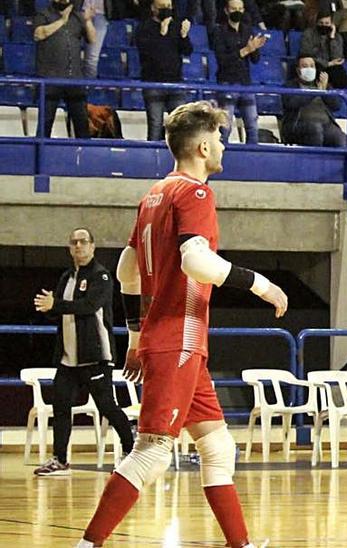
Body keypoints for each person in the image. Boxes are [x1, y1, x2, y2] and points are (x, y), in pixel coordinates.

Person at [78, 101, 289, 548]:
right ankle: (87, 544)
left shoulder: (154, 194)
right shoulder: (194, 193)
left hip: (170, 340)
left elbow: (127, 272)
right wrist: (261, 285)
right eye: (220, 138)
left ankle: (242, 545)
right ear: (202, 145)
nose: (224, 146)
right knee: (152, 451)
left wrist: (136, 334)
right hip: (179, 338)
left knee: (217, 448)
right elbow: (196, 261)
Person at [30, 227, 136, 477]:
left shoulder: (102, 277)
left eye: (83, 241)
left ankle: (132, 453)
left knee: (107, 406)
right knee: (61, 406)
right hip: (68, 359)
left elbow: (89, 306)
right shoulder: (67, 277)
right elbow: (61, 307)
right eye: (74, 242)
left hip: (96, 357)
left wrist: (57, 304)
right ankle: (60, 459)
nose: (78, 246)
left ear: (92, 246)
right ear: (69, 248)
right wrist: (49, 307)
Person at [34, 0, 96, 139]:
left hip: (74, 79)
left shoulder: (77, 17)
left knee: (82, 125)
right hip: (50, 78)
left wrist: (87, 21)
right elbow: (39, 34)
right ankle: (40, 158)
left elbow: (92, 39)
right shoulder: (43, 14)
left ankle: (83, 157)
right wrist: (62, 21)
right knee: (45, 124)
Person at [135, 0, 193, 141]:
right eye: (162, 7)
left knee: (180, 128)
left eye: (168, 6)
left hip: (175, 83)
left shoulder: (176, 25)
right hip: (153, 84)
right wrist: (161, 33)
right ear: (153, 8)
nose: (166, 10)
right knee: (155, 126)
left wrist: (184, 36)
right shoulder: (144, 27)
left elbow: (187, 51)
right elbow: (146, 52)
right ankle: (152, 160)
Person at [211, 0, 266, 144]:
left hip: (245, 83)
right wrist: (245, 50)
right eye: (234, 9)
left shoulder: (248, 30)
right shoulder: (218, 31)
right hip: (226, 83)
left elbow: (255, 59)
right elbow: (222, 60)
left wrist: (254, 49)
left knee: (253, 126)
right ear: (226, 11)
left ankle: (253, 159)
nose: (237, 12)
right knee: (225, 128)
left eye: (240, 9)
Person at [281, 56, 344, 147]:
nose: (309, 69)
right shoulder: (289, 86)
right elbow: (291, 103)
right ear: (298, 70)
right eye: (305, 66)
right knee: (315, 128)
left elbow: (336, 106)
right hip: (298, 125)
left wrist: (324, 92)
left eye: (312, 66)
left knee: (339, 136)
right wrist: (315, 92)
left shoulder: (323, 85)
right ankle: (315, 160)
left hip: (325, 124)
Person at [299, 12, 347, 88]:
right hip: (315, 65)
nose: (323, 25)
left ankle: (336, 96)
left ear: (331, 24)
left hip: (331, 67)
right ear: (317, 23)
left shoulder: (337, 37)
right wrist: (327, 63)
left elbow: (337, 58)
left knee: (339, 73)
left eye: (326, 23)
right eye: (321, 23)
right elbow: (306, 55)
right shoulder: (308, 34)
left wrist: (332, 38)